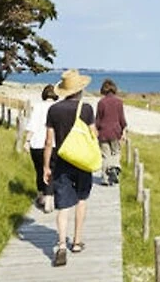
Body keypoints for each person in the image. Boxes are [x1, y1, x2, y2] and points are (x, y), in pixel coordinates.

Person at [44, 69, 96, 267]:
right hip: (82, 161)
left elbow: (49, 141)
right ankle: (76, 241)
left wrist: (46, 166)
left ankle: (61, 246)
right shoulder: (86, 109)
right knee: (81, 199)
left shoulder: (54, 110)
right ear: (80, 89)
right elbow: (93, 135)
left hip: (61, 162)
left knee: (63, 206)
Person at [25, 84, 59, 212]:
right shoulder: (57, 107)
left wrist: (27, 141)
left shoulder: (38, 106)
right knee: (52, 171)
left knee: (39, 170)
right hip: (54, 144)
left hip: (37, 144)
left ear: (44, 95)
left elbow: (32, 125)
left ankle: (41, 196)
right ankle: (49, 200)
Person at [96, 79, 127, 185]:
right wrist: (123, 131)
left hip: (103, 132)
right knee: (116, 152)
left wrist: (96, 131)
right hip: (115, 132)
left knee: (105, 155)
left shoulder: (101, 102)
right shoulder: (119, 102)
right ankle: (114, 167)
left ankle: (105, 178)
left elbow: (98, 120)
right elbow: (121, 119)